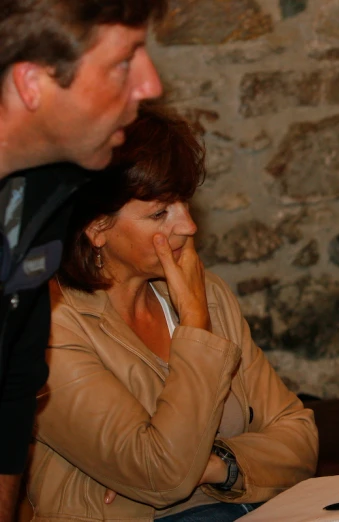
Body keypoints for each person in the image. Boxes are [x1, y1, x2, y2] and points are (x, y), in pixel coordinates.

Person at [26, 103, 318, 521]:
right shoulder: (50, 326)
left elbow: (299, 436)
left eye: (184, 203)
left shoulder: (207, 291)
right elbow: (162, 476)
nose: (188, 226)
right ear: (95, 228)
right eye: (160, 212)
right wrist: (195, 328)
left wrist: (218, 465)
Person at [0, 1, 164, 518]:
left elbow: (15, 383)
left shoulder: (47, 189)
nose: (151, 84)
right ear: (31, 82)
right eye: (124, 61)